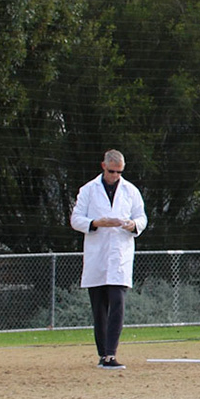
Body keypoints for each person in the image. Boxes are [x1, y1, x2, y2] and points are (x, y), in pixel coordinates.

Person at [71, 150, 147, 368]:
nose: (116, 176)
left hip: (120, 255)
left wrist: (133, 225)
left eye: (119, 172)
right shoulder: (88, 190)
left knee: (117, 303)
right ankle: (102, 354)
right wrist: (96, 223)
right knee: (99, 308)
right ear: (103, 166)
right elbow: (76, 219)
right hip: (97, 254)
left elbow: (142, 217)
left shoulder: (130, 191)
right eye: (112, 171)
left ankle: (111, 354)